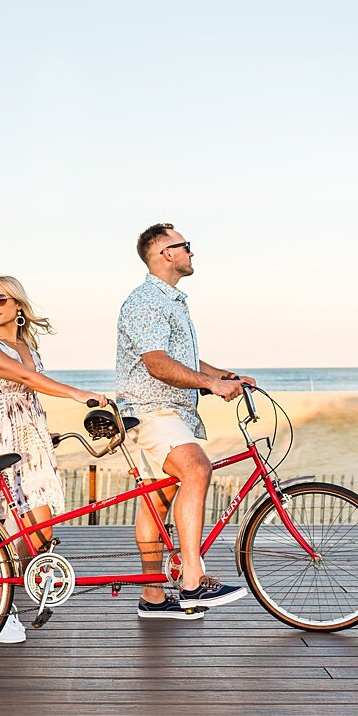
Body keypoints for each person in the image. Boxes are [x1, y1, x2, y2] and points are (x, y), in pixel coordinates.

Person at [0, 275, 111, 645]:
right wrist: (76, 394)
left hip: (31, 447)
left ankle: (3, 596)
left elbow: (26, 395)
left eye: (1, 299)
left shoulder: (27, 346)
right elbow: (23, 378)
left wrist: (44, 434)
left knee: (40, 535)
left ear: (19, 306)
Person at [115, 223, 253, 618]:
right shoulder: (146, 301)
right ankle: (192, 581)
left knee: (155, 504)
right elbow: (157, 364)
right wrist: (209, 382)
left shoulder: (171, 301)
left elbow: (181, 362)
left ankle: (154, 598)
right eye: (185, 246)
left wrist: (223, 377)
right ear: (165, 254)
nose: (192, 252)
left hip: (170, 411)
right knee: (196, 469)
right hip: (153, 409)